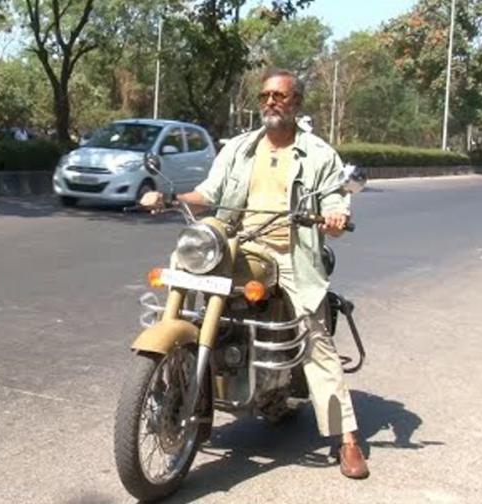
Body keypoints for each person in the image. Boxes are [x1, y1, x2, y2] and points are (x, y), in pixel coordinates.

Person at [140, 68, 370, 480]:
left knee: (314, 337)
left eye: (279, 96)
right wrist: (170, 197)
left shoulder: (318, 154)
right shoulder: (241, 148)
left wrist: (335, 216)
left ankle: (347, 438)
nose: (270, 102)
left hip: (291, 252)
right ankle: (181, 388)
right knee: (185, 259)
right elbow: (209, 193)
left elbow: (336, 200)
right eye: (265, 96)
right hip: (239, 242)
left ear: (296, 102)